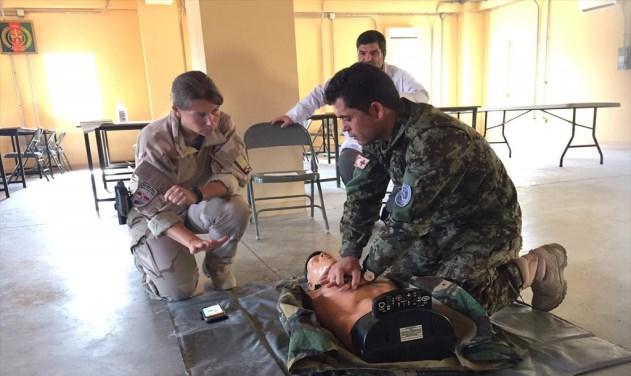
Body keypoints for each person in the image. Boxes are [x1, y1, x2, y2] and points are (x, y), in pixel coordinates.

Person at [319, 62, 568, 315]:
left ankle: (535, 265)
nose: (344, 128)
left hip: (482, 230)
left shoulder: (434, 138)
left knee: (452, 306)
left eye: (347, 118)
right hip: (436, 227)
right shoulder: (378, 135)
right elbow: (362, 196)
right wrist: (350, 254)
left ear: (376, 110)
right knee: (397, 289)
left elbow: (406, 223)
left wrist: (367, 269)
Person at [127, 71, 251, 301]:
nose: (210, 121)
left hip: (194, 204)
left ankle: (218, 266)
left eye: (214, 111)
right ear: (176, 111)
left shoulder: (223, 125)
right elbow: (153, 209)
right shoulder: (154, 138)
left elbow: (233, 176)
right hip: (155, 217)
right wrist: (191, 241)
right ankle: (147, 259)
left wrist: (196, 194)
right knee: (179, 291)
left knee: (237, 208)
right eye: (200, 114)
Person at [271, 30, 430, 184]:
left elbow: (422, 95)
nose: (368, 58)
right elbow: (319, 94)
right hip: (360, 149)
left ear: (383, 54)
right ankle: (360, 200)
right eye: (362, 53)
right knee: (353, 168)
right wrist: (292, 115)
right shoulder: (350, 77)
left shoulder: (398, 76)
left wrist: (391, 102)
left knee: (406, 180)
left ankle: (394, 205)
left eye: (374, 53)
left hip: (392, 145)